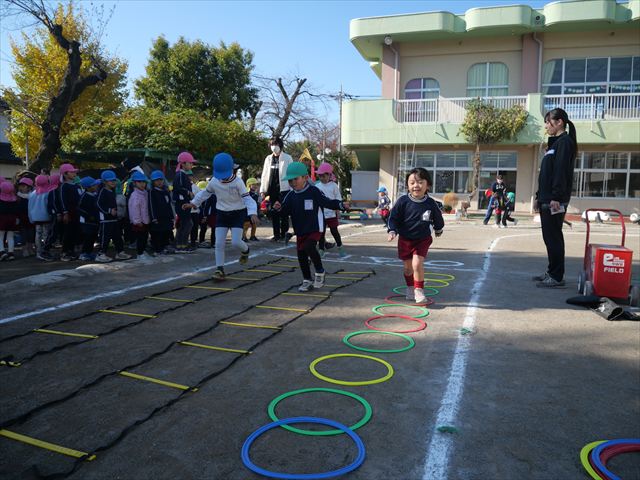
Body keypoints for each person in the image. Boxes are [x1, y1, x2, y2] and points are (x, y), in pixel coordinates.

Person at [273, 162, 350, 292]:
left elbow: (327, 202)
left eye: (295, 179)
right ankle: (307, 280)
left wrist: (340, 205)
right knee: (301, 256)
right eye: (290, 180)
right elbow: (284, 211)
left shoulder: (314, 191)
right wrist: (277, 209)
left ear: (305, 178)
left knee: (309, 246)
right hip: (300, 229)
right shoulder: (291, 195)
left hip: (315, 227)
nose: (293, 183)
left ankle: (320, 271)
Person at [183, 153, 258, 281]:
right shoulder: (214, 181)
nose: (222, 177)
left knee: (236, 242)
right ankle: (220, 270)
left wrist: (253, 212)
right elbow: (204, 193)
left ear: (232, 169)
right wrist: (193, 203)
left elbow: (248, 199)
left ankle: (245, 250)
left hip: (237, 214)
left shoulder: (238, 182)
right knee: (218, 243)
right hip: (222, 214)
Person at [534, 107, 577, 288]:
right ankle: (552, 271)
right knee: (549, 237)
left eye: (548, 122)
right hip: (547, 198)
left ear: (559, 122)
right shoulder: (555, 144)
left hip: (555, 200)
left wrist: (557, 197)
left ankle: (557, 276)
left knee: (554, 238)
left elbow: (561, 172)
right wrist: (539, 197)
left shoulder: (565, 143)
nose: (546, 126)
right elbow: (546, 174)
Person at [387, 167, 444, 304]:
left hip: (422, 239)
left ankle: (419, 291)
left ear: (427, 185)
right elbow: (393, 218)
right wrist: (392, 230)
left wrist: (438, 229)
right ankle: (410, 288)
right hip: (405, 239)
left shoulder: (431, 203)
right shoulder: (403, 201)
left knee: (417, 264)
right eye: (412, 182)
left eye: (420, 182)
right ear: (407, 185)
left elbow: (438, 218)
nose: (416, 186)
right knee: (408, 268)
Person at [259, 136, 293, 241]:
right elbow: (264, 174)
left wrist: (293, 188)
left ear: (280, 145)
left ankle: (284, 234)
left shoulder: (287, 158)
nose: (274, 147)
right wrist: (263, 189)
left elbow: (291, 174)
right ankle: (276, 235)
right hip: (272, 189)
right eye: (272, 145)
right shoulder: (268, 158)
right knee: (274, 213)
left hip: (284, 189)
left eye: (276, 144)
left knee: (284, 213)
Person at [96, 170, 131, 263]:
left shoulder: (112, 191)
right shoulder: (102, 191)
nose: (113, 182)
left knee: (117, 236)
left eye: (114, 180)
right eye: (110, 180)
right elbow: (98, 204)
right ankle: (101, 254)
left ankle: (120, 252)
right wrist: (109, 211)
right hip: (105, 220)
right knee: (105, 238)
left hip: (114, 219)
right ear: (104, 181)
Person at [315, 162, 345, 258]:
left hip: (331, 214)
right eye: (320, 176)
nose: (321, 178)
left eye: (323, 176)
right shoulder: (317, 186)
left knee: (334, 231)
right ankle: (321, 249)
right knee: (321, 233)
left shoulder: (334, 186)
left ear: (329, 175)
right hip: (321, 214)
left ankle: (340, 246)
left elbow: (338, 199)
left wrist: (338, 211)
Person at [173, 152, 197, 252]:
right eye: (190, 163)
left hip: (184, 202)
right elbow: (177, 188)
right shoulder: (180, 175)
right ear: (183, 163)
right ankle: (182, 244)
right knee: (187, 224)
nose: (191, 165)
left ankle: (180, 245)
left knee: (184, 224)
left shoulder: (182, 175)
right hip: (181, 203)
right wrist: (188, 192)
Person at [148, 170, 175, 255]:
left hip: (166, 217)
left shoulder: (166, 191)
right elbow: (151, 206)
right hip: (157, 218)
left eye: (161, 180)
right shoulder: (152, 192)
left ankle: (165, 246)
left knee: (166, 232)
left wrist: (172, 216)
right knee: (158, 234)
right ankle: (158, 249)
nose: (159, 182)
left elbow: (169, 205)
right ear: (153, 182)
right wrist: (154, 218)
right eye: (156, 180)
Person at [59, 163, 82, 261]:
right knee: (68, 232)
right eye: (71, 172)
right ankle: (64, 252)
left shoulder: (76, 186)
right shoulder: (64, 186)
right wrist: (65, 213)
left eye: (74, 172)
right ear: (65, 174)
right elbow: (62, 200)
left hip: (77, 212)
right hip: (69, 213)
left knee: (75, 232)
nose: (74, 174)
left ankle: (71, 251)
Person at [29, 175, 53, 261]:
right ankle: (45, 251)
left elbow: (30, 207)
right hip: (46, 216)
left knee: (38, 234)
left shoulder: (32, 194)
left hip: (36, 217)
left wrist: (31, 218)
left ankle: (38, 252)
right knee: (46, 234)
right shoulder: (48, 192)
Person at [128, 171, 151, 259]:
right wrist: (137, 221)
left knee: (145, 237)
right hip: (139, 222)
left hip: (145, 220)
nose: (142, 184)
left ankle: (143, 251)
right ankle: (140, 254)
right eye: (139, 182)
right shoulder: (135, 195)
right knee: (140, 238)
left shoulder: (145, 193)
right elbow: (134, 209)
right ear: (134, 183)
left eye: (143, 182)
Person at [77, 176, 102, 261]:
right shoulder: (84, 196)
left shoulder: (95, 195)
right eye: (94, 185)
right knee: (88, 237)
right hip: (86, 222)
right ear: (88, 187)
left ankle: (89, 252)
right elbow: (79, 209)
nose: (96, 186)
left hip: (94, 221)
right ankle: (84, 253)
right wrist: (88, 216)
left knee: (93, 237)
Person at [16, 177, 35, 257]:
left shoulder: (33, 196)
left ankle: (30, 249)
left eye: (24, 186)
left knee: (31, 234)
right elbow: (16, 208)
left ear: (29, 187)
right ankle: (24, 250)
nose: (21, 188)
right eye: (20, 186)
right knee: (23, 235)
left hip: (31, 218)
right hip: (21, 218)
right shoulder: (17, 196)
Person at [0, 181, 19, 261]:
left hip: (2, 218)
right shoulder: (15, 199)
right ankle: (11, 253)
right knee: (10, 236)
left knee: (0, 236)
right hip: (12, 218)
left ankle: (2, 252)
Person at [242, 177, 260, 242]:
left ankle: (252, 236)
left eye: (256, 184)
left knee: (254, 224)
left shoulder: (256, 195)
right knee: (246, 224)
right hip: (247, 212)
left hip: (254, 212)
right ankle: (243, 236)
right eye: (253, 184)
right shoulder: (247, 194)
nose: (255, 186)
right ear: (249, 185)